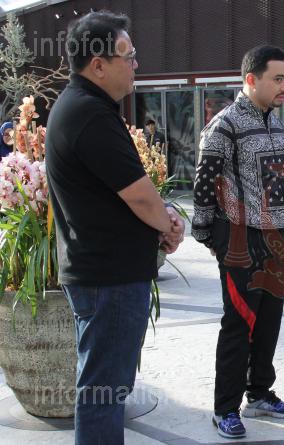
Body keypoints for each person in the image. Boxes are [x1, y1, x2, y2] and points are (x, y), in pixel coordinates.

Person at [45, 11, 185, 445]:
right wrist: (168, 225)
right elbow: (139, 195)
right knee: (103, 392)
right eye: (129, 55)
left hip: (104, 276)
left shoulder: (84, 108)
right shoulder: (89, 114)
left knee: (106, 387)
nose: (136, 64)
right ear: (98, 64)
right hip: (109, 280)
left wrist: (163, 216)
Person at [192, 44, 284, 440]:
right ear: (251, 79)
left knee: (269, 320)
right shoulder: (224, 124)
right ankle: (225, 408)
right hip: (240, 238)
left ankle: (259, 394)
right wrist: (209, 234)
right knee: (239, 323)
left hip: (276, 237)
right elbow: (205, 182)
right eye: (278, 79)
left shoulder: (275, 121)